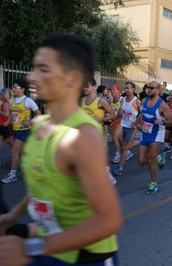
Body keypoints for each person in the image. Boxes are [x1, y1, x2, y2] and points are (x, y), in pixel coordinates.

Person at [0, 32, 122, 266]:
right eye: (34, 67)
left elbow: (109, 220)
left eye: (43, 69)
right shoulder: (40, 125)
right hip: (52, 247)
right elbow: (43, 181)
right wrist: (14, 214)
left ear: (72, 79)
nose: (31, 76)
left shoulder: (81, 137)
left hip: (87, 259)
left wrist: (29, 247)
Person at [137, 81, 172, 194]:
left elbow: (171, 121)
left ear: (158, 90)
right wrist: (136, 122)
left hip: (157, 134)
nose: (149, 89)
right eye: (148, 87)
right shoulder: (144, 101)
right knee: (141, 160)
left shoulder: (162, 105)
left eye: (152, 88)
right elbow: (141, 114)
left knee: (150, 159)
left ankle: (154, 184)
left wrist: (162, 121)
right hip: (145, 134)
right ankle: (160, 158)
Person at [2, 79, 41, 184]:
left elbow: (38, 114)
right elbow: (11, 113)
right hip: (15, 129)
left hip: (24, 130)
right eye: (13, 87)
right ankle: (31, 170)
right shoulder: (12, 101)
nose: (13, 89)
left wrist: (30, 122)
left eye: (16, 87)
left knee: (14, 151)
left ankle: (12, 174)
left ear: (23, 89)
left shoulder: (28, 101)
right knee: (23, 153)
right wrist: (8, 121)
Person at [81, 78, 117, 184]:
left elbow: (113, 115)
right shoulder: (82, 100)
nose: (84, 89)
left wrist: (101, 119)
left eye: (87, 86)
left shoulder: (100, 101)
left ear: (94, 87)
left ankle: (108, 179)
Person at [112, 82, 141, 176]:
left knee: (124, 147)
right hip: (122, 125)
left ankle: (120, 168)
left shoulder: (137, 101)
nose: (126, 89)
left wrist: (136, 122)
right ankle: (142, 141)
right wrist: (115, 119)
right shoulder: (123, 99)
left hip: (131, 127)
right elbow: (121, 110)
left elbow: (142, 113)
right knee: (123, 143)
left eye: (128, 88)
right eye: (125, 88)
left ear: (133, 89)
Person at [108, 84, 124, 164]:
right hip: (112, 122)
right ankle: (127, 151)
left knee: (114, 137)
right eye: (111, 89)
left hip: (120, 122)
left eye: (114, 89)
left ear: (118, 91)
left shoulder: (122, 100)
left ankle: (117, 154)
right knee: (119, 139)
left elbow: (122, 111)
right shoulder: (110, 101)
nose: (111, 91)